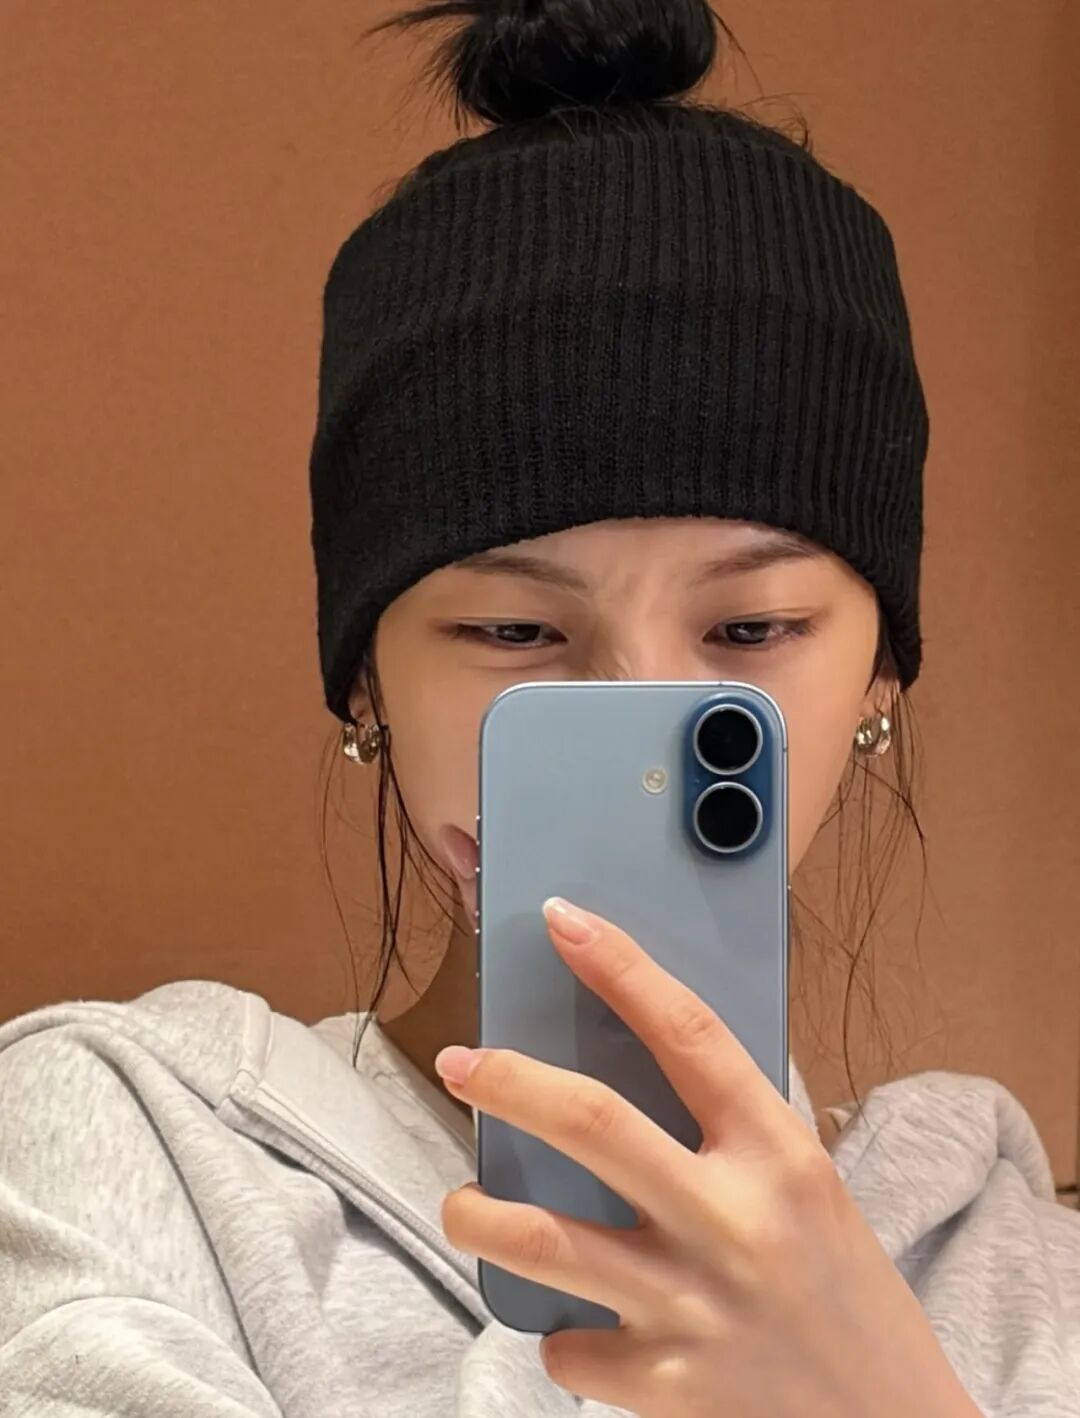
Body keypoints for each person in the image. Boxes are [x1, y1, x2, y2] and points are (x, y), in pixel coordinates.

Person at [0, 3, 1076, 1415]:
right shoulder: (138, 1148)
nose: (639, 708)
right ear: (367, 678)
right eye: (513, 630)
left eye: (752, 629)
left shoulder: (1019, 1264)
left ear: (879, 675)